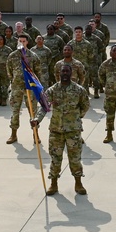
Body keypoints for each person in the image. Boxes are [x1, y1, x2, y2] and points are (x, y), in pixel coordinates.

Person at [33, 63, 90, 197]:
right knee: (55, 158)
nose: (65, 73)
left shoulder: (79, 90)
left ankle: (78, 183)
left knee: (75, 158)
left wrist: (76, 117)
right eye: (62, 71)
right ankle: (53, 183)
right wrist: (37, 120)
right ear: (59, 73)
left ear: (71, 73)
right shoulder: (52, 90)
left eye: (67, 71)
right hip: (56, 130)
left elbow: (85, 105)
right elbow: (44, 107)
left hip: (73, 131)